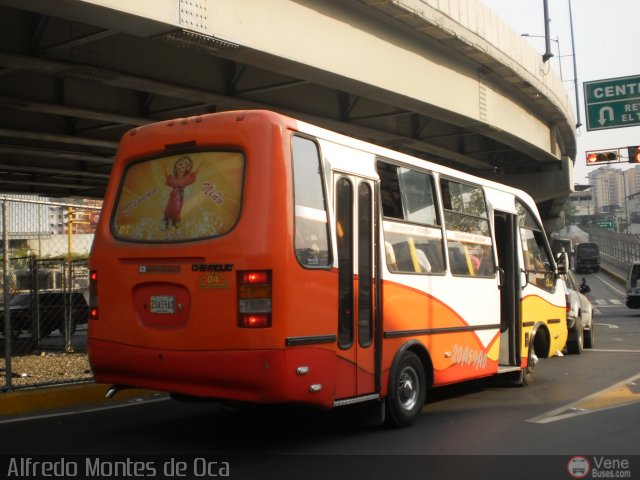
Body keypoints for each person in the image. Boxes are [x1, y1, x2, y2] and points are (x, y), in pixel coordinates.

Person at [163, 155, 199, 229]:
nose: (180, 169)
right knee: (170, 208)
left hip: (180, 198)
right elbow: (168, 177)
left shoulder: (186, 179)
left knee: (177, 209)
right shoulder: (173, 179)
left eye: (183, 167)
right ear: (175, 167)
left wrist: (200, 166)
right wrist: (164, 168)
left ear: (186, 169)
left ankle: (175, 222)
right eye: (179, 165)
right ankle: (168, 222)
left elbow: (193, 174)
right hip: (172, 198)